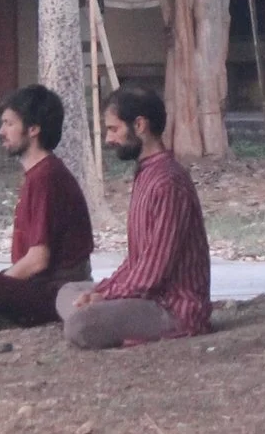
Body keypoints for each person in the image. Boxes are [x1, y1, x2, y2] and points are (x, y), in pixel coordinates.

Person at [59, 86, 211, 349]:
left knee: (79, 325)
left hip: (171, 308)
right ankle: (101, 316)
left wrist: (104, 298)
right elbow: (137, 263)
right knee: (67, 292)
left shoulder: (167, 182)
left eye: (113, 129)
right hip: (145, 298)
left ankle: (104, 320)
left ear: (139, 125)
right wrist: (101, 292)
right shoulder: (148, 174)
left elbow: (152, 273)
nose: (108, 139)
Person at [0, 84, 95, 327]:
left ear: (33, 129)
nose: (1, 132)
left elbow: (38, 260)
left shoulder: (47, 177)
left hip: (55, 292)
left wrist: (1, 282)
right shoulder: (40, 174)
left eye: (9, 124)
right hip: (37, 285)